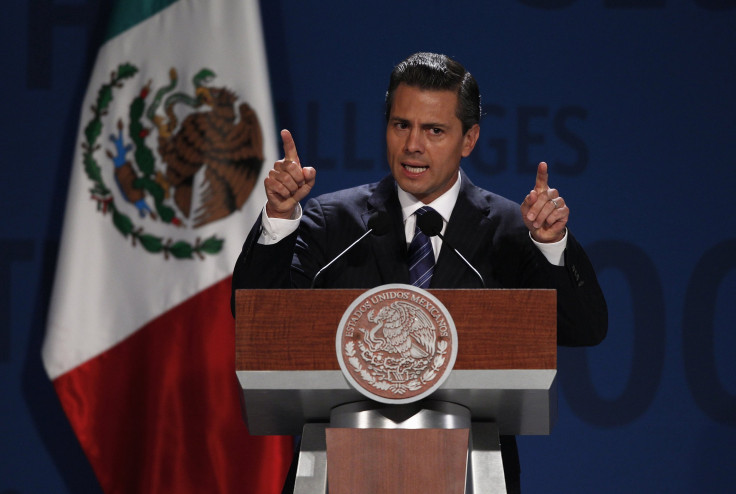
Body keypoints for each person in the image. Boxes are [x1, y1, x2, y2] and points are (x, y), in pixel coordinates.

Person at [232, 51, 607, 493]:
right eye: (401, 125)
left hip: (471, 474)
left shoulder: (510, 232)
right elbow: (255, 318)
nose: (413, 145)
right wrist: (279, 218)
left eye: (434, 130)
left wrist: (551, 245)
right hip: (339, 473)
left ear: (469, 139)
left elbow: (585, 327)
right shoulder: (332, 223)